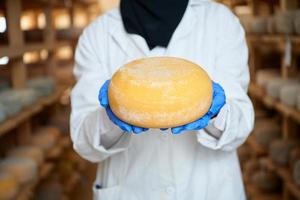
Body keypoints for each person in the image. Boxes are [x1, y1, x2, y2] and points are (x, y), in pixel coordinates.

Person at [70, 0, 254, 199]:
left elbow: (242, 125)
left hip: (207, 189)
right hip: (131, 190)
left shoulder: (221, 22)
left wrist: (215, 114)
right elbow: (84, 143)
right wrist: (111, 117)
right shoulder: (96, 35)